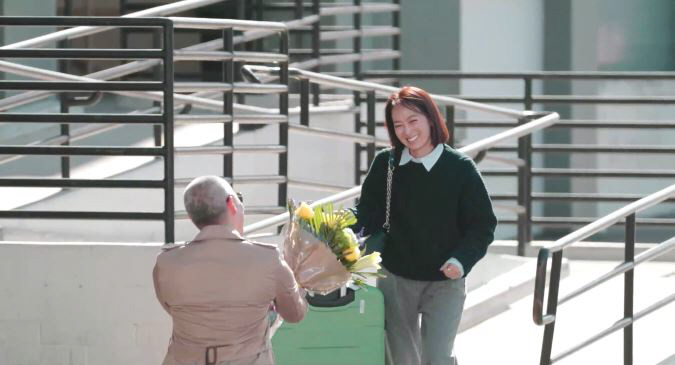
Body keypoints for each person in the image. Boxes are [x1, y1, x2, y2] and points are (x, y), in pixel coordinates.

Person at [352, 86, 497, 365]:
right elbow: (368, 212)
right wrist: (340, 226)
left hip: (445, 281)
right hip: (397, 278)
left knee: (437, 358)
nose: (407, 131)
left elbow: (482, 225)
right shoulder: (387, 163)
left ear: (431, 119)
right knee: (401, 358)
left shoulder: (460, 168)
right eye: (398, 125)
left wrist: (461, 260)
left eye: (413, 121)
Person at [153, 176, 308, 365]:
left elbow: (172, 308)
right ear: (231, 203)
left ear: (191, 216)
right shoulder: (267, 259)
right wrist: (299, 281)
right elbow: (295, 314)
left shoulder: (167, 263)